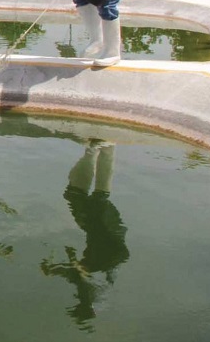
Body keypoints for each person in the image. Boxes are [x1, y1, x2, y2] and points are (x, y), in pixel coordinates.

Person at [40, 139, 129, 330]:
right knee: (88, 196)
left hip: (101, 232)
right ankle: (100, 149)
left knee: (86, 195)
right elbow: (119, 257)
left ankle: (103, 149)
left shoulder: (89, 288)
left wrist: (54, 270)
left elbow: (74, 275)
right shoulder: (100, 287)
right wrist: (85, 268)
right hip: (108, 233)